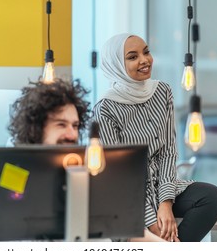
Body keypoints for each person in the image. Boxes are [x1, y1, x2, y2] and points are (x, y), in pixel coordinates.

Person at [93, 33, 217, 242]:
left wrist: (165, 203)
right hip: (128, 196)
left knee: (211, 197)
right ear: (116, 64)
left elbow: (168, 151)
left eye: (146, 52)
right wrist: (150, 219)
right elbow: (119, 175)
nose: (144, 60)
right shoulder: (105, 108)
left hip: (162, 185)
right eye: (132, 56)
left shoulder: (162, 91)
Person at [8, 78, 164, 242]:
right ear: (37, 127)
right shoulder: (16, 172)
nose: (72, 134)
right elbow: (5, 221)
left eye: (75, 126)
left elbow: (128, 233)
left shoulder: (93, 170)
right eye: (61, 125)